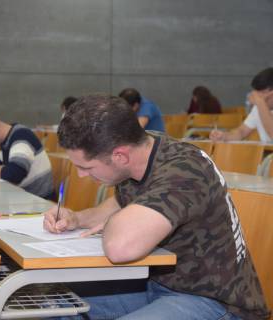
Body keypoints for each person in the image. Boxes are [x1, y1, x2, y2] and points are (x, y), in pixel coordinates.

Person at [42, 94, 269, 319]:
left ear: (120, 156)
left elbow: (120, 248)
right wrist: (76, 218)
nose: (81, 175)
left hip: (214, 300)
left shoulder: (184, 171)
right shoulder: (141, 148)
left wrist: (118, 222)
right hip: (156, 284)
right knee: (58, 306)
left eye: (87, 167)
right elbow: (118, 204)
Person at [0, 110, 54, 200]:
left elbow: (14, 174)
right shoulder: (6, 140)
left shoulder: (21, 136)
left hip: (39, 203)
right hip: (23, 200)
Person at [210, 67, 273, 143]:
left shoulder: (260, 104)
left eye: (261, 93)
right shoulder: (258, 108)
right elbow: (241, 131)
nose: (256, 96)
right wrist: (224, 136)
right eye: (256, 93)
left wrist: (260, 102)